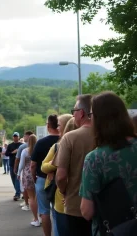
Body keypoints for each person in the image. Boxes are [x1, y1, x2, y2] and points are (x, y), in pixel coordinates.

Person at [80, 92, 137, 234]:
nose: (90, 118)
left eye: (91, 114)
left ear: (99, 120)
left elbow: (87, 211)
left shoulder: (95, 159)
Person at [53, 95, 94, 236]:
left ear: (81, 113)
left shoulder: (69, 138)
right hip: (103, 206)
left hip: (76, 205)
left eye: (74, 111)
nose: (73, 114)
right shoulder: (106, 136)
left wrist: (64, 191)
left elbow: (61, 176)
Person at [41, 114, 73, 236]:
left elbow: (44, 166)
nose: (57, 127)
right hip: (77, 195)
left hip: (61, 195)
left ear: (65, 126)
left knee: (60, 228)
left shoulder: (59, 145)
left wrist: (54, 165)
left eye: (59, 125)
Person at [31, 115, 60, 236]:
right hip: (60, 179)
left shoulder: (40, 143)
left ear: (48, 126)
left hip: (42, 179)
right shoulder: (64, 140)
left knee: (44, 211)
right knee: (57, 211)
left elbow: (33, 164)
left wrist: (34, 178)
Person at [18, 134, 41, 227]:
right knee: (38, 197)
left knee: (31, 197)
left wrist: (19, 173)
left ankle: (36, 218)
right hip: (38, 174)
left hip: (28, 174)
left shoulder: (25, 151)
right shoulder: (39, 150)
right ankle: (41, 216)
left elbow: (21, 164)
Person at [15, 130, 34, 209]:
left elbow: (21, 163)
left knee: (25, 188)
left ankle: (27, 204)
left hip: (27, 172)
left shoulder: (24, 149)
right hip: (36, 172)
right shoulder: (38, 148)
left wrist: (18, 173)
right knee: (35, 194)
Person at [5, 132, 22, 201]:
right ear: (13, 137)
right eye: (14, 136)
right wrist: (13, 152)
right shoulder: (10, 145)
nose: (15, 138)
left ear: (18, 137)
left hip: (20, 164)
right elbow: (6, 154)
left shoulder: (21, 145)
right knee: (13, 179)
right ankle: (19, 191)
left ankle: (17, 194)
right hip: (12, 164)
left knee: (17, 179)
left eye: (16, 136)